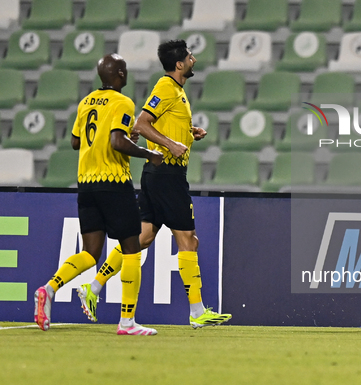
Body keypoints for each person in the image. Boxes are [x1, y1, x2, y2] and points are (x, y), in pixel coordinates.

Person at [77, 40, 232, 329]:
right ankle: (197, 312)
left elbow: (159, 124)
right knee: (189, 240)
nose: (194, 59)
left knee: (143, 238)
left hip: (158, 176)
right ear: (179, 64)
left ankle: (93, 287)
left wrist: (187, 133)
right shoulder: (165, 87)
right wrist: (171, 143)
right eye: (190, 56)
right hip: (167, 176)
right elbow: (141, 124)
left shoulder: (177, 92)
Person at [34, 54, 163, 335]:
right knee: (131, 250)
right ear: (118, 74)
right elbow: (117, 142)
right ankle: (127, 322)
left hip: (86, 184)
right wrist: (148, 153)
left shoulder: (86, 101)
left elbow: (75, 141)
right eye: (125, 70)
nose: (126, 73)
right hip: (114, 182)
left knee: (90, 253)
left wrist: (123, 138)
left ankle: (49, 288)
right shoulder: (122, 102)